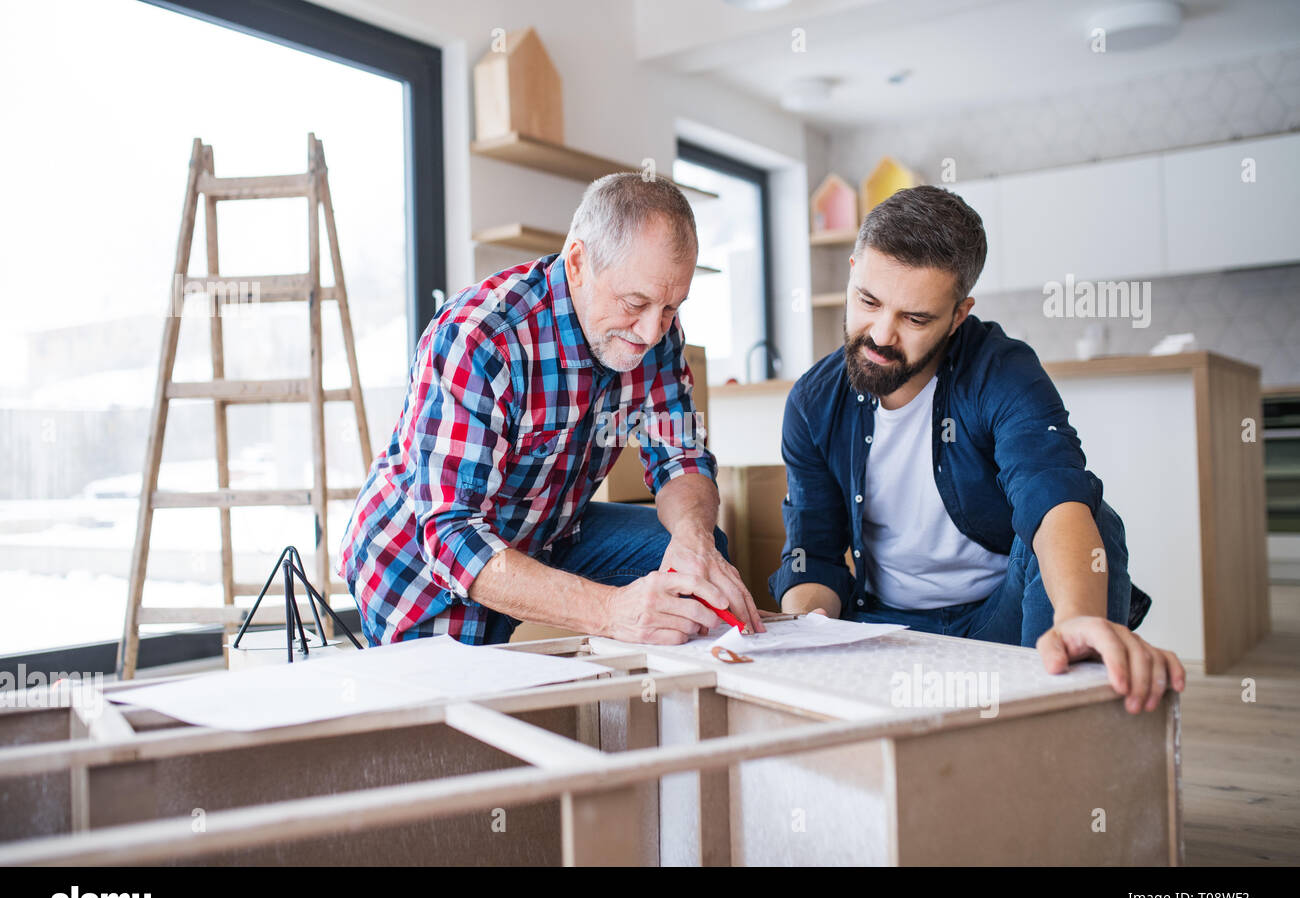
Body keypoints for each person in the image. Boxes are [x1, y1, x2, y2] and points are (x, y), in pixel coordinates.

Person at [769, 185, 1184, 715]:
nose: (880, 333)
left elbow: (1053, 497)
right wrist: (805, 635)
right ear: (853, 271)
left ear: (958, 314)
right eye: (867, 300)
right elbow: (814, 554)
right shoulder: (812, 400)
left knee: (1097, 518)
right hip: (885, 628)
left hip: (998, 619)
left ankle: (1066, 704)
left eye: (915, 318)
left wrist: (1078, 617)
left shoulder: (1002, 370)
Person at [338, 173, 763, 646]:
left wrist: (694, 540)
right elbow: (452, 537)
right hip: (419, 570)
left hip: (546, 532)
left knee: (696, 565)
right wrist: (609, 611)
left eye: (670, 307)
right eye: (636, 303)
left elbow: (681, 457)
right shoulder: (481, 337)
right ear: (578, 263)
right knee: (466, 713)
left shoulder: (657, 330)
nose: (651, 332)